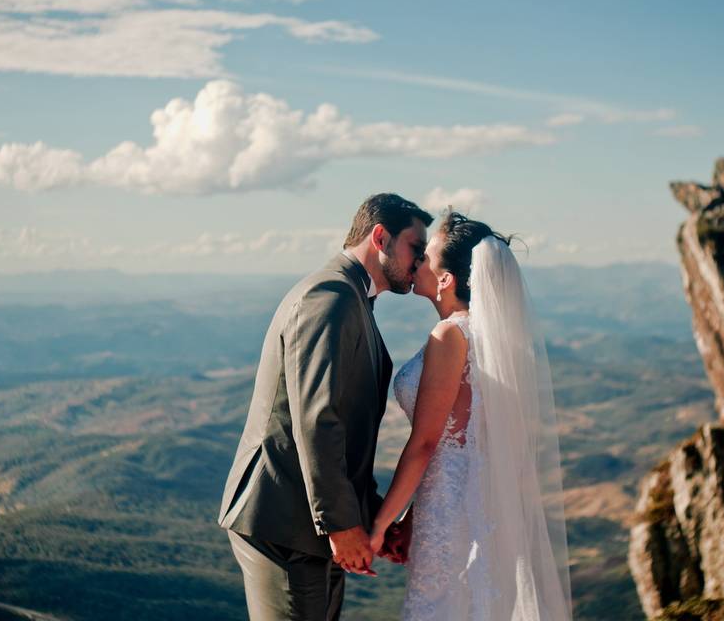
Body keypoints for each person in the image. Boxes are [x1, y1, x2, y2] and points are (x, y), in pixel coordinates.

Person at [217, 193, 433, 621]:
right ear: (380, 237)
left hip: (306, 526)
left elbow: (348, 434)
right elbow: (318, 420)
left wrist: (371, 518)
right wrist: (340, 524)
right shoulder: (331, 296)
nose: (422, 261)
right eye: (416, 248)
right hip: (285, 524)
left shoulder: (352, 298)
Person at [369, 211, 573, 620]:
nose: (417, 263)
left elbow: (427, 443)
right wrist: (411, 518)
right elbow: (465, 437)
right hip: (465, 502)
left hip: (449, 509)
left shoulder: (451, 335)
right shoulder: (483, 336)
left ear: (446, 279)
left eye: (425, 257)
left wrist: (379, 524)